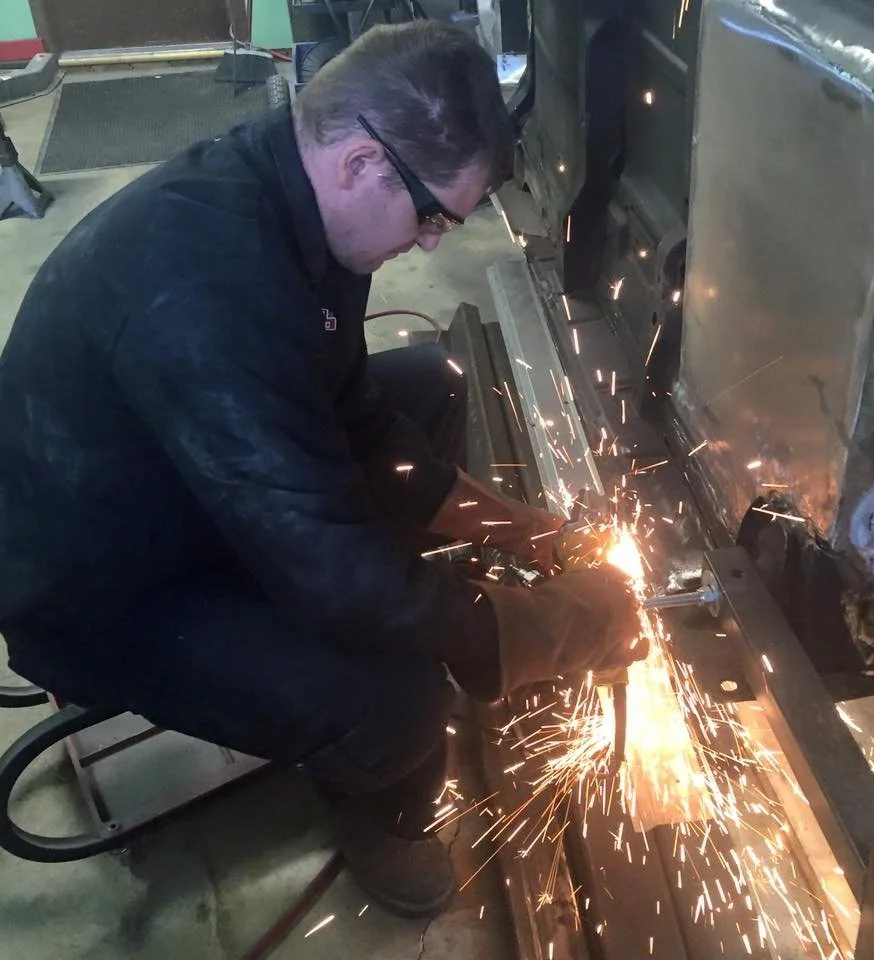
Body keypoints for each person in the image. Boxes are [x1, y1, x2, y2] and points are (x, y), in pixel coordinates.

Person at [0, 22, 640, 917]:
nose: (428, 247)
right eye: (432, 217)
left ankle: (398, 628)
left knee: (426, 385)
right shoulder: (209, 293)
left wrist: (530, 532)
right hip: (106, 593)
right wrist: (540, 627)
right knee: (405, 703)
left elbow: (360, 417)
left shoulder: (291, 199)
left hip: (185, 482)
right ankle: (377, 800)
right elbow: (328, 574)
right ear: (360, 162)